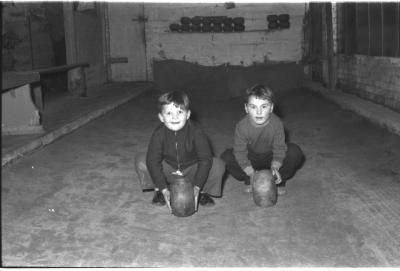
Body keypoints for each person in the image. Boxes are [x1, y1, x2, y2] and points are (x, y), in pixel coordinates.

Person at [135, 91, 225, 213]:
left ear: (188, 114)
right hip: (169, 171)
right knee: (142, 161)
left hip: (192, 171)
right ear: (161, 117)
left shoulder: (196, 132)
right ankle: (159, 191)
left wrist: (198, 186)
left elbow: (205, 159)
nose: (174, 117)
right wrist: (163, 189)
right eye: (169, 113)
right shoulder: (159, 134)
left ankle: (203, 192)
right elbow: (153, 161)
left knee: (218, 165)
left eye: (180, 112)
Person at [220, 84, 304, 195]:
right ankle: (249, 179)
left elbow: (279, 148)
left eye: (264, 107)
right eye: (253, 107)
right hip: (252, 157)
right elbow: (240, 152)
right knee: (226, 157)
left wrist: (275, 167)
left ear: (271, 108)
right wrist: (250, 172)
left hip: (271, 156)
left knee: (294, 151)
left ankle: (279, 181)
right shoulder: (241, 126)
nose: (258, 112)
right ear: (246, 108)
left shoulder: (277, 123)